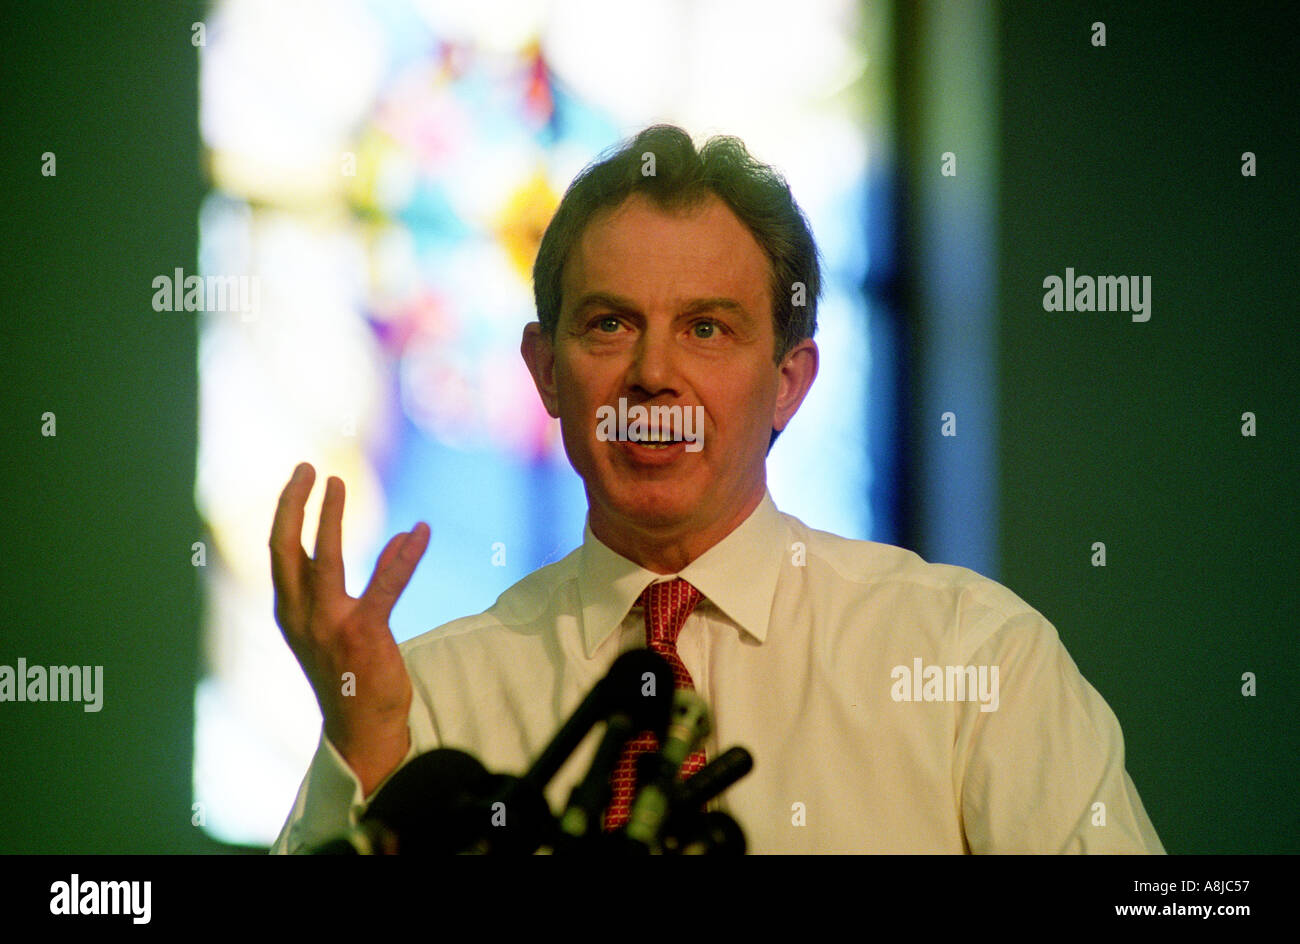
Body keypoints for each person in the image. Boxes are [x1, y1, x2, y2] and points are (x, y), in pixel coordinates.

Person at [269, 124, 1164, 854]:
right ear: (545, 372)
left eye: (706, 328)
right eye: (610, 324)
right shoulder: (425, 702)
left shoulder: (973, 664)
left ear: (788, 380)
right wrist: (368, 747)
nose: (653, 375)